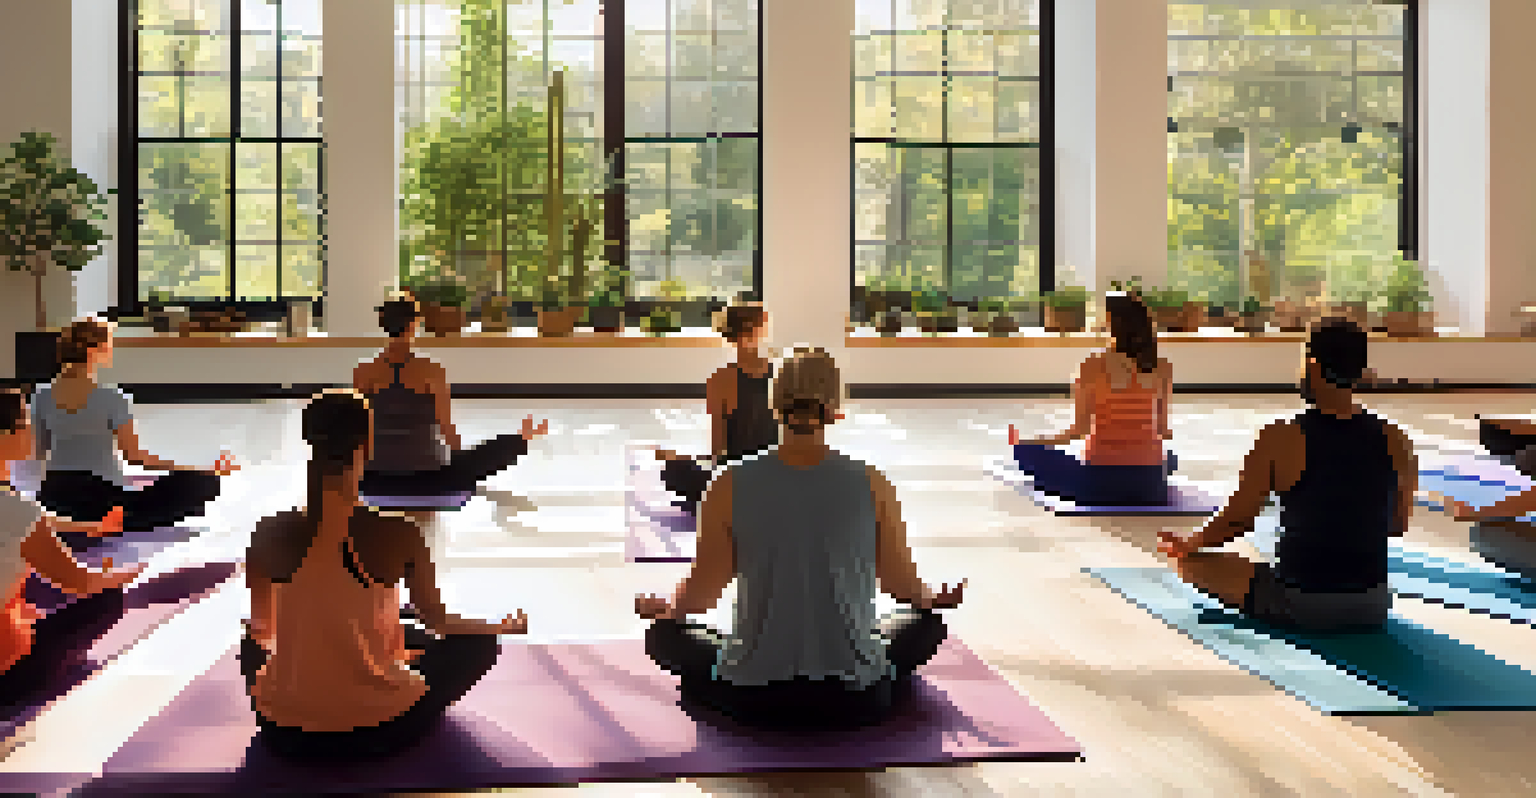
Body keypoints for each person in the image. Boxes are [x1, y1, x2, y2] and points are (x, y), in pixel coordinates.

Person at [636, 346, 965, 731]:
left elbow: (701, 596)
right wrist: (931, 599)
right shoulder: (873, 482)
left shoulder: (727, 484)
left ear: (774, 406)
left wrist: (666, 609)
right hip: (860, 700)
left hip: (752, 698)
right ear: (834, 408)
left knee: (664, 637)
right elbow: (900, 585)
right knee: (926, 626)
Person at [242, 390, 532, 760]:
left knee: (250, 640)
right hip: (379, 730)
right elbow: (439, 620)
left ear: (308, 440)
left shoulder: (268, 531)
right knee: (478, 643)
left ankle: (343, 677)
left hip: (283, 732)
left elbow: (264, 632)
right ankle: (382, 676)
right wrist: (498, 625)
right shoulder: (400, 530)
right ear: (367, 443)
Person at [1157, 318, 1418, 632]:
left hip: (1301, 604)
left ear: (1312, 365)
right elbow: (1398, 525)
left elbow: (1237, 522)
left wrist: (1189, 543)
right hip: (1372, 605)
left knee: (1189, 564)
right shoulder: (1397, 438)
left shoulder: (1279, 436)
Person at [0, 389, 144, 702]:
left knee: (31, 583)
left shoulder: (17, 508)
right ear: (5, 435)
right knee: (105, 599)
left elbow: (30, 520)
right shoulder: (17, 510)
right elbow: (81, 582)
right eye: (24, 423)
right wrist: (123, 574)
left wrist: (90, 528)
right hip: (7, 674)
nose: (31, 429)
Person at [32, 318, 236, 534]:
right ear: (94, 350)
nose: (111, 350)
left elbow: (38, 453)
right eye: (108, 343)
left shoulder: (41, 396)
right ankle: (113, 523)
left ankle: (88, 526)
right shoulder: (111, 397)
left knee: (125, 497)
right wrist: (204, 469)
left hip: (55, 499)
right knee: (204, 484)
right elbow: (137, 458)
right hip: (103, 501)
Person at [352, 295, 547, 500]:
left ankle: (519, 439)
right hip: (429, 478)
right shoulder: (431, 370)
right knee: (483, 455)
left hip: (375, 478)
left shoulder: (364, 371)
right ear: (414, 324)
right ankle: (522, 438)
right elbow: (446, 428)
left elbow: (356, 427)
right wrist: (462, 465)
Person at [1008, 292, 1179, 505]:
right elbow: (1163, 430)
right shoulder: (1162, 366)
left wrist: (1032, 441)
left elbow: (1078, 431)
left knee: (1026, 453)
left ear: (1110, 321)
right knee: (1170, 458)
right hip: (1150, 485)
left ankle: (1026, 448)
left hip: (1101, 483)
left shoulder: (1093, 364)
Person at [656, 303, 779, 514]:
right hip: (776, 480)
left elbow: (719, 451)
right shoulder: (782, 372)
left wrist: (684, 459)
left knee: (673, 471)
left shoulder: (719, 379)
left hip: (736, 482)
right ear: (759, 331)